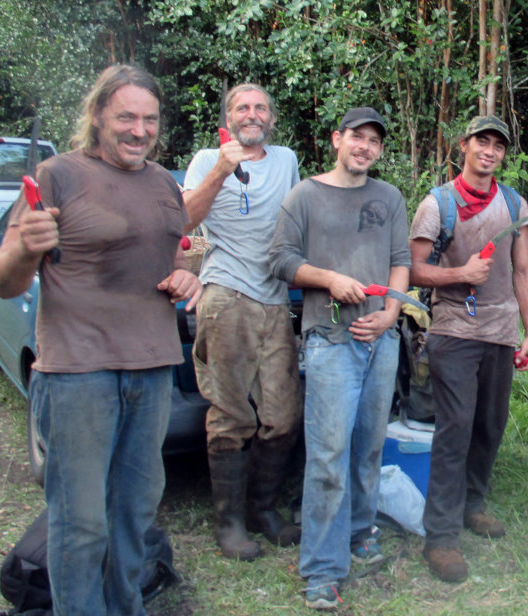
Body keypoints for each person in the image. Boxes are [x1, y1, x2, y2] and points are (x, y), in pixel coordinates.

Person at [0, 64, 201, 616]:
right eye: (126, 116)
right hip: (78, 372)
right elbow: (5, 281)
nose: (139, 129)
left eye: (149, 119)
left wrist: (188, 276)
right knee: (80, 522)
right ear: (99, 116)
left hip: (153, 369)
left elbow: (173, 259)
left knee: (133, 514)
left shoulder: (162, 184)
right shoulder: (57, 175)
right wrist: (26, 247)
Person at [269, 107, 410, 609]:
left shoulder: (389, 198)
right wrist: (329, 279)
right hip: (329, 340)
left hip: (381, 341)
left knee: (369, 445)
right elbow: (281, 261)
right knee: (328, 455)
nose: (365, 147)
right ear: (336, 139)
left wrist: (392, 313)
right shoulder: (304, 196)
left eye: (374, 141)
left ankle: (358, 531)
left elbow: (401, 262)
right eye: (357, 137)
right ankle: (323, 570)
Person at [409, 115, 528, 583]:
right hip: (453, 331)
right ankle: (440, 538)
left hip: (501, 333)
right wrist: (458, 275)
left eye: (498, 145)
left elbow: (523, 270)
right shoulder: (437, 204)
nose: (489, 151)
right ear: (463, 145)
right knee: (455, 428)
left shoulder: (513, 203)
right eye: (481, 141)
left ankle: (473, 504)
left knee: (489, 424)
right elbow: (413, 270)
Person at [182, 83, 302, 561]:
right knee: (231, 414)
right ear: (227, 116)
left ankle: (263, 510)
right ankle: (229, 522)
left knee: (283, 415)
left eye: (260, 108)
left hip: (275, 297)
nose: (252, 114)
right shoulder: (204, 159)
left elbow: (296, 222)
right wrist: (221, 169)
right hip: (226, 294)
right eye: (242, 107)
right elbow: (185, 221)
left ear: (270, 118)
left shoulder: (287, 160)